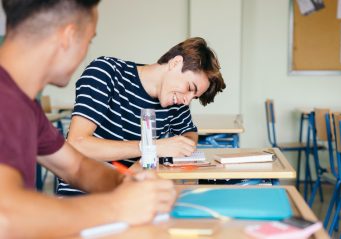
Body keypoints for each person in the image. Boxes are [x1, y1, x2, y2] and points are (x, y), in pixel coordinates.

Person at [0, 0, 176, 238]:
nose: (86, 50)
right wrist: (117, 207)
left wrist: (124, 183)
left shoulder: (24, 105)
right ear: (69, 36)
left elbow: (76, 166)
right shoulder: (5, 100)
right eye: (89, 40)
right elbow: (6, 218)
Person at [57, 37, 226, 195]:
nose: (186, 101)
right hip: (84, 195)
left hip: (131, 194)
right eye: (190, 88)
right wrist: (149, 148)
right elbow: (77, 144)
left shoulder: (175, 101)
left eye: (193, 97)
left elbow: (189, 133)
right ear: (175, 63)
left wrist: (172, 149)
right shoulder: (106, 72)